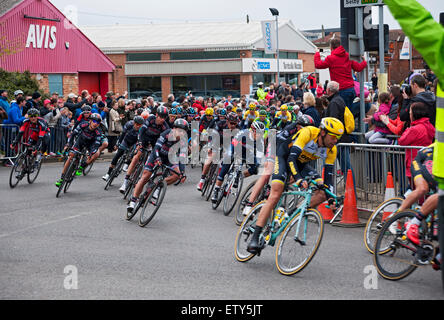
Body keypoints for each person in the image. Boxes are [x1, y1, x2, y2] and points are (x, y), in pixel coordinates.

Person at [247, 118, 344, 254]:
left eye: (338, 138)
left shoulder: (332, 150)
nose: (335, 141)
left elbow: (328, 179)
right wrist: (298, 179)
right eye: (333, 137)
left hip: (302, 164)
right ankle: (255, 237)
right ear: (323, 132)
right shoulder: (308, 133)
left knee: (322, 192)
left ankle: (292, 213)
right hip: (283, 157)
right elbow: (291, 158)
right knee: (276, 193)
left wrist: (331, 199)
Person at [127, 119, 188, 213]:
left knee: (177, 175)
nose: (181, 133)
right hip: (157, 155)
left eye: (183, 131)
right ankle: (133, 201)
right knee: (145, 177)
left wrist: (182, 172)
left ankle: (159, 185)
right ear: (174, 128)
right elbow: (156, 148)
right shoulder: (166, 133)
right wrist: (158, 158)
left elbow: (182, 157)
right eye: (179, 130)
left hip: (169, 158)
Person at [211, 121, 265, 203]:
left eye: (261, 133)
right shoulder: (244, 133)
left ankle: (240, 176)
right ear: (252, 130)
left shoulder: (260, 141)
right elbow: (234, 143)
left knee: (255, 168)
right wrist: (233, 155)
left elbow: (259, 155)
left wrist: (258, 162)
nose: (259, 135)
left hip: (247, 153)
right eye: (257, 133)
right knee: (227, 163)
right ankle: (216, 189)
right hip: (235, 148)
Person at [119, 106, 169, 193]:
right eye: (161, 117)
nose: (162, 119)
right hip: (144, 138)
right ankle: (125, 181)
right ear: (156, 115)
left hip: (154, 142)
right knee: (136, 156)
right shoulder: (150, 119)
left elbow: (164, 140)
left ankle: (149, 175)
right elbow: (141, 131)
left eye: (165, 117)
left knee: (154, 158)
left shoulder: (165, 126)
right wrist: (140, 142)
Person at [314, 38, 367, 109]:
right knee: (348, 112)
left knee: (342, 114)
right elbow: (358, 68)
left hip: (340, 89)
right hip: (351, 89)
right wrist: (364, 62)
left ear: (331, 47)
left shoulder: (330, 58)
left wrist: (317, 53)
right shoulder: (348, 56)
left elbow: (318, 65)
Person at [56, 114, 103, 186]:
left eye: (98, 122)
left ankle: (83, 166)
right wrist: (69, 144)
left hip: (90, 145)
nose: (95, 123)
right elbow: (73, 134)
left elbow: (96, 145)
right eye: (94, 121)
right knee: (71, 156)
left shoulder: (98, 132)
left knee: (96, 153)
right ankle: (62, 178)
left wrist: (91, 153)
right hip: (80, 142)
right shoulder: (83, 124)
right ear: (90, 121)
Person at [398, 102, 435, 189]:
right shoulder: (429, 126)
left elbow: (402, 141)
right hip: (426, 162)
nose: (409, 115)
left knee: (415, 190)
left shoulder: (415, 129)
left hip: (414, 162)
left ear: (415, 114)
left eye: (410, 113)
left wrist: (407, 129)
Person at [102, 116, 144, 181]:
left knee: (135, 152)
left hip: (134, 143)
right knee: (118, 155)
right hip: (126, 140)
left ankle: (127, 164)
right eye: (137, 124)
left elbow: (141, 140)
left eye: (140, 125)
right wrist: (117, 144)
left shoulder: (142, 129)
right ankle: (108, 174)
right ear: (134, 123)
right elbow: (122, 135)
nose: (138, 126)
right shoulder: (129, 125)